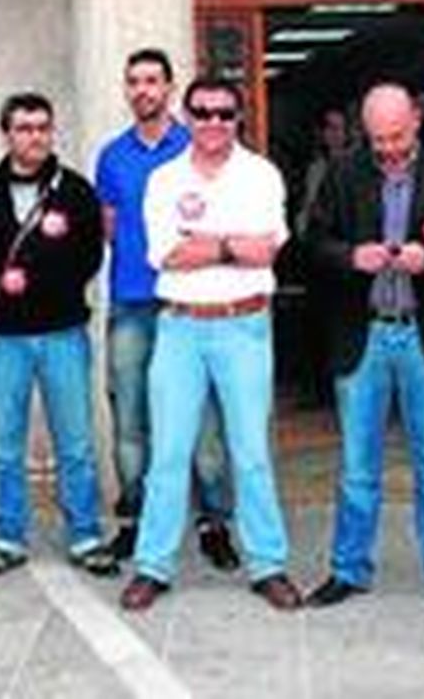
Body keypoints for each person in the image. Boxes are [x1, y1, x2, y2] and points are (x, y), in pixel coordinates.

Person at [304, 84, 424, 618]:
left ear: (416, 121)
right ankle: (348, 570)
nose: (387, 149)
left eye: (397, 137)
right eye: (377, 139)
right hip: (362, 335)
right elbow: (310, 245)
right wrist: (350, 257)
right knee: (357, 466)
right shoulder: (342, 174)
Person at [119, 77, 302, 613]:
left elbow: (266, 251)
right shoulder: (163, 179)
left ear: (238, 117)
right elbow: (166, 256)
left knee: (250, 454)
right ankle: (153, 566)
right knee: (169, 453)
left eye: (224, 113)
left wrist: (208, 244)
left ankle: (268, 565)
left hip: (244, 327)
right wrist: (232, 244)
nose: (214, 123)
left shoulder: (261, 175)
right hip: (180, 328)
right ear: (188, 115)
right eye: (202, 113)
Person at [0, 93, 118, 579]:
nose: (35, 136)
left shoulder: (74, 190)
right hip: (6, 336)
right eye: (24, 128)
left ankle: (86, 533)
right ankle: (6, 535)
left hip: (63, 331)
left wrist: (51, 285)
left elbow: (90, 254)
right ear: (6, 134)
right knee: (4, 444)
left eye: (42, 128)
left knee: (74, 442)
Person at [94, 49, 236, 569]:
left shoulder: (195, 147)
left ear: (170, 88)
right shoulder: (112, 156)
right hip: (131, 302)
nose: (143, 90)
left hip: (189, 301)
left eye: (152, 80)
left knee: (204, 423)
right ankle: (134, 520)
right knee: (131, 417)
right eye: (134, 81)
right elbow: (110, 226)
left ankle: (214, 523)